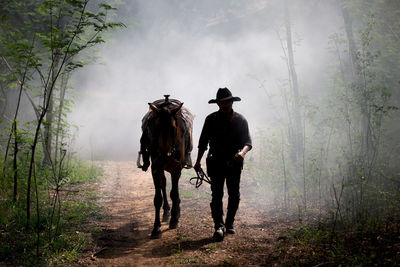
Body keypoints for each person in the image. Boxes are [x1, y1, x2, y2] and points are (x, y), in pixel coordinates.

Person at [194, 87, 252, 241]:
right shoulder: (210, 119)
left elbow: (247, 142)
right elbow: (202, 143)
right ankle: (218, 226)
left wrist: (242, 153)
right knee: (217, 195)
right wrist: (198, 161)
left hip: (234, 162)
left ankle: (230, 222)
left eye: (227, 102)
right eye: (222, 102)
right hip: (215, 162)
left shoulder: (241, 120)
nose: (225, 105)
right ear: (218, 104)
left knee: (234, 194)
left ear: (232, 102)